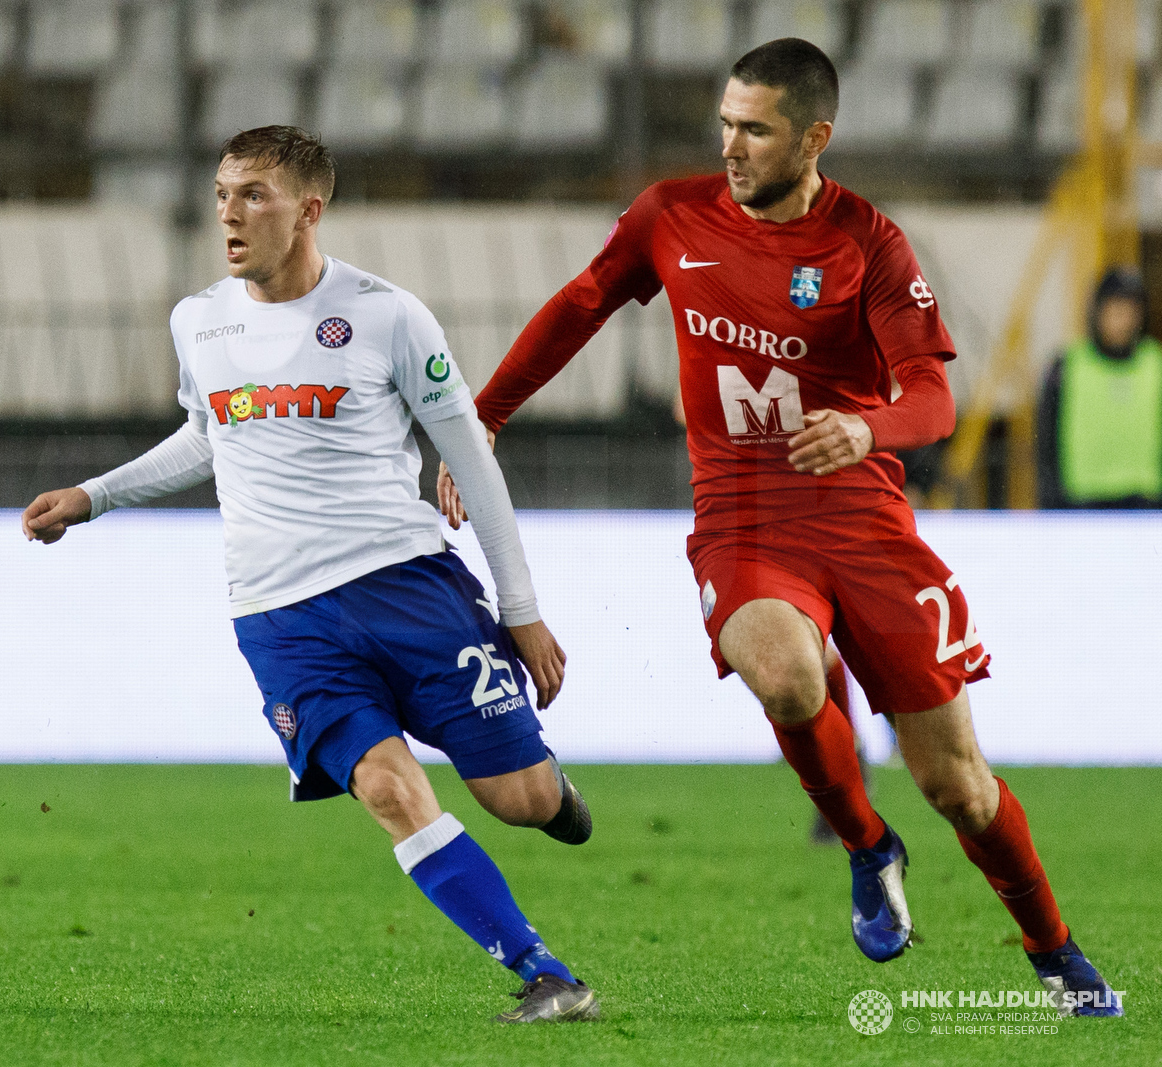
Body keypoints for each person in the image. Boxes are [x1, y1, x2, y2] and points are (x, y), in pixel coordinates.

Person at [441, 40, 1120, 1015]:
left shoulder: (868, 244)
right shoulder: (669, 217)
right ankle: (863, 842)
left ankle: (1054, 950)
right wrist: (488, 416)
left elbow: (932, 399)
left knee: (960, 785)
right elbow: (581, 303)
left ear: (813, 138)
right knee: (788, 673)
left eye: (753, 129)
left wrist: (866, 424)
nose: (730, 145)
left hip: (864, 518)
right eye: (723, 122)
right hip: (742, 515)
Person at [21, 126, 598, 1023]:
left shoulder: (387, 314)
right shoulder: (198, 319)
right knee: (386, 787)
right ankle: (543, 971)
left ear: (308, 209)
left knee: (518, 798)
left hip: (408, 586)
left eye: (253, 194)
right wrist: (94, 496)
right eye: (221, 194)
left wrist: (520, 608)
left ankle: (551, 790)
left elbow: (470, 460)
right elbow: (210, 437)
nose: (229, 214)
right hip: (281, 617)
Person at [1036, 267, 1162, 509]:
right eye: (1114, 309)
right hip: (1081, 504)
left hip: (1145, 504)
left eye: (1129, 311)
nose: (1122, 320)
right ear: (1097, 312)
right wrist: (1051, 503)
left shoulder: (1154, 364)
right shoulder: (1067, 365)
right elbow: (1046, 443)